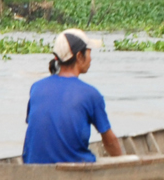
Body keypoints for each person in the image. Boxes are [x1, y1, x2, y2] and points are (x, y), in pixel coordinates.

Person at [22, 28, 124, 164]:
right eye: (89, 53)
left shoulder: (37, 87)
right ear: (79, 57)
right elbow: (110, 141)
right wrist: (123, 162)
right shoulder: (90, 94)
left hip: (32, 167)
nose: (91, 58)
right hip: (75, 168)